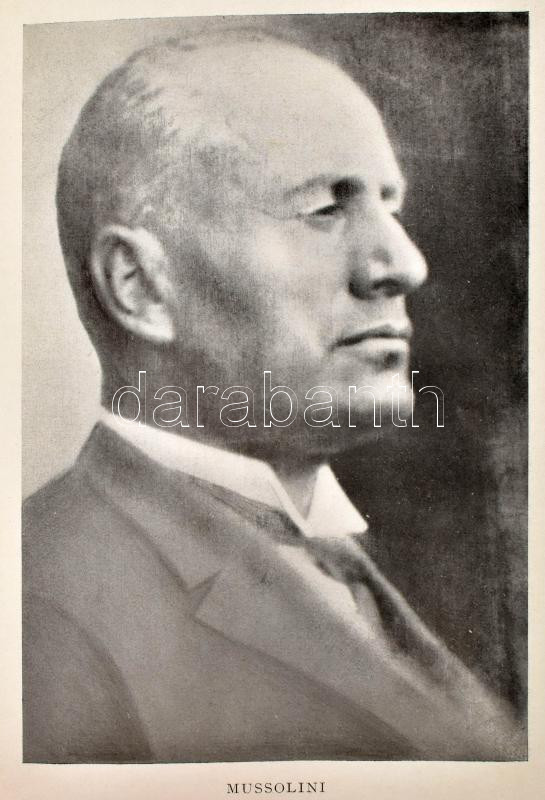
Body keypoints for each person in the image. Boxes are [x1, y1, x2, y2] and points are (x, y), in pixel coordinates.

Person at [22, 29, 525, 762]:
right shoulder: (39, 608)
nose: (403, 264)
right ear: (140, 286)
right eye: (325, 208)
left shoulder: (335, 554)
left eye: (390, 205)